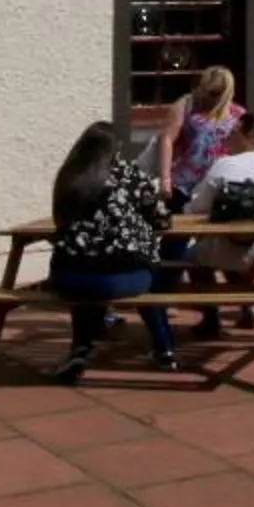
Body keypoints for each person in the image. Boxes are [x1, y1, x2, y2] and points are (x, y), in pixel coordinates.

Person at [44, 121, 176, 383]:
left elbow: (60, 223)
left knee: (84, 266)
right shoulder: (130, 175)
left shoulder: (70, 177)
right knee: (148, 272)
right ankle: (165, 349)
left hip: (68, 277)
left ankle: (80, 350)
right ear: (116, 148)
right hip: (124, 278)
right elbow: (161, 219)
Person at [180, 112, 254, 339]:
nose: (226, 139)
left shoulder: (225, 165)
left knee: (198, 255)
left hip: (237, 247)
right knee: (228, 245)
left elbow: (197, 206)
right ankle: (247, 308)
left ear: (249, 138)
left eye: (232, 134)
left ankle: (211, 318)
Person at [152, 66, 246, 325]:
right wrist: (165, 178)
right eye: (210, 91)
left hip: (220, 188)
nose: (213, 97)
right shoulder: (186, 106)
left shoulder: (238, 114)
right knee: (174, 245)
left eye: (218, 92)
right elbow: (167, 139)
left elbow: (247, 148)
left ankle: (243, 301)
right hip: (186, 184)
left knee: (221, 248)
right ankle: (167, 297)